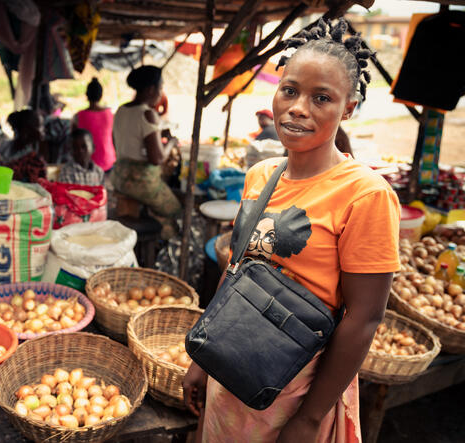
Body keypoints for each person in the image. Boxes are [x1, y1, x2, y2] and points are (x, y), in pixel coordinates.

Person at [183, 18, 400, 443]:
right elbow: (238, 269)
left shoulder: (366, 195)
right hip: (230, 371)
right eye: (290, 90)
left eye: (322, 98)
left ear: (348, 108)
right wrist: (204, 357)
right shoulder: (261, 175)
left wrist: (309, 419)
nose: (299, 107)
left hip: (297, 393)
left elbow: (364, 317)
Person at [112, 65, 181, 239]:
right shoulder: (147, 114)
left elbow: (124, 141)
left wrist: (158, 136)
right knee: (175, 209)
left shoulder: (121, 110)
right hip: (140, 182)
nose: (161, 92)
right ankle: (164, 244)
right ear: (151, 89)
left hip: (119, 177)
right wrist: (171, 142)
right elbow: (156, 158)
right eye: (160, 87)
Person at [0, 109, 46, 182]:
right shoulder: (33, 160)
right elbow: (41, 186)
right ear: (27, 130)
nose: (43, 130)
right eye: (40, 126)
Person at [72, 78, 116, 172]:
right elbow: (114, 137)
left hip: (87, 162)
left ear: (87, 95)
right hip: (108, 161)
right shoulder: (110, 114)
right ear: (101, 95)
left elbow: (73, 141)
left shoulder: (79, 116)